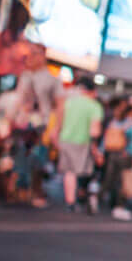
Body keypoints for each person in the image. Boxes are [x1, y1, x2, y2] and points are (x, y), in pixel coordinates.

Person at [53, 76, 105, 211]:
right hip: (83, 142)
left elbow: (59, 121)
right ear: (92, 91)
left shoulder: (69, 102)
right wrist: (95, 148)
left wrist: (55, 135)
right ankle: (83, 195)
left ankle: (70, 201)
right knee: (85, 170)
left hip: (66, 139)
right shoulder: (94, 106)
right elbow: (95, 131)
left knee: (70, 172)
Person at [101, 98, 132, 220]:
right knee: (123, 182)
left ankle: (96, 197)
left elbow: (106, 139)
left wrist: (100, 152)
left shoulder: (115, 122)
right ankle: (119, 206)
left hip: (113, 153)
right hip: (126, 155)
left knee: (109, 179)